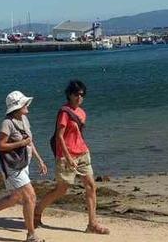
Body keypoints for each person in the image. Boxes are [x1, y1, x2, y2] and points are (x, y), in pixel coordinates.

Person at [35, 80, 109, 235]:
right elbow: (59, 137)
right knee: (61, 190)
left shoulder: (82, 113)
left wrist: (81, 149)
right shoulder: (64, 112)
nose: (79, 97)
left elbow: (78, 134)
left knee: (91, 186)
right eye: (76, 94)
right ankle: (37, 210)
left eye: (82, 94)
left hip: (82, 153)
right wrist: (68, 157)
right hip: (66, 155)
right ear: (69, 94)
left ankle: (92, 224)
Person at [0, 90, 48, 242]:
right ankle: (31, 235)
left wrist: (40, 160)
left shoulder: (24, 119)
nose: (27, 106)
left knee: (15, 198)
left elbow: (29, 142)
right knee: (30, 197)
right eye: (25, 103)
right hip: (12, 167)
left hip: (24, 163)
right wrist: (20, 143)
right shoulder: (7, 123)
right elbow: (0, 145)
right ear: (17, 107)